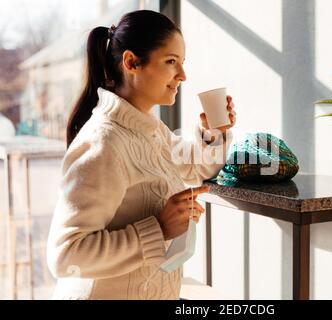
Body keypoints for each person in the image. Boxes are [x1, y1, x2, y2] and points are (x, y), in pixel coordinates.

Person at [46, 10, 236, 300]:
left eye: (182, 63)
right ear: (132, 62)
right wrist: (159, 229)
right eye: (171, 62)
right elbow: (65, 256)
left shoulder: (147, 128)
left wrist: (212, 133)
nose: (182, 76)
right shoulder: (104, 142)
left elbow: (195, 166)